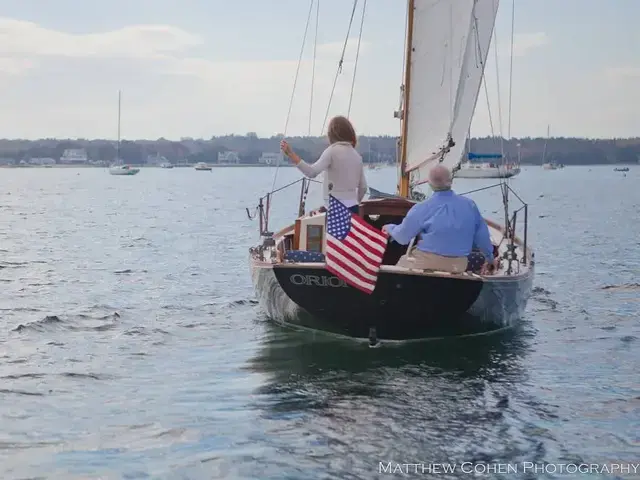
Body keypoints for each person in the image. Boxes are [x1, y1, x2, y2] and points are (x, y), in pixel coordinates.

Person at [381, 164, 498, 274]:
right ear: (451, 181)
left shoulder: (422, 208)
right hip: (458, 265)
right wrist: (490, 259)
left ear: (430, 183)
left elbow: (402, 238)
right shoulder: (470, 206)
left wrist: (389, 228)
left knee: (399, 265)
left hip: (426, 262)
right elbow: (482, 238)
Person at [280, 116, 367, 214]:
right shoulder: (357, 156)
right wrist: (355, 201)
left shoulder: (332, 151)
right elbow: (363, 187)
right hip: (353, 207)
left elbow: (312, 172)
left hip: (335, 207)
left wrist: (292, 155)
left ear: (332, 134)